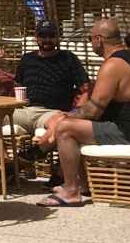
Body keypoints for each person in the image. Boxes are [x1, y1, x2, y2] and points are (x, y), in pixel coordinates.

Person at [37, 18, 130, 208]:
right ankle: (84, 185)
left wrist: (69, 117)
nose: (91, 42)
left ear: (99, 40)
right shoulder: (126, 58)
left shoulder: (113, 65)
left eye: (90, 38)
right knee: (70, 125)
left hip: (129, 130)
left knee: (65, 129)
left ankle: (71, 192)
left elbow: (93, 110)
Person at [12, 20, 90, 163]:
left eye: (51, 35)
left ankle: (36, 152)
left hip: (51, 113)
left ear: (57, 37)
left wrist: (76, 111)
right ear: (36, 37)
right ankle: (6, 163)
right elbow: (17, 84)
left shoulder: (68, 58)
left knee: (63, 122)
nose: (47, 39)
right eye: (43, 35)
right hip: (24, 110)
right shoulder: (27, 59)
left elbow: (86, 89)